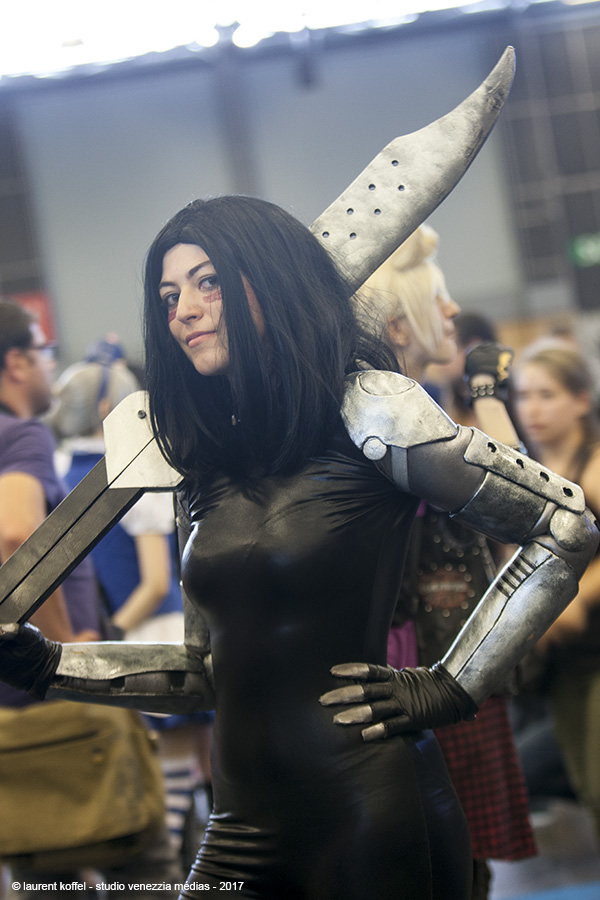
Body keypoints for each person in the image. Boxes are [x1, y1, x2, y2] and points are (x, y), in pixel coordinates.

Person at [0, 196, 596, 900]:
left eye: (208, 281)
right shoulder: (201, 457)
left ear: (272, 281)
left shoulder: (373, 410)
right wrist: (50, 664)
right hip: (240, 823)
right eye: (169, 294)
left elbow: (566, 525)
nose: (183, 309)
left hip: (368, 807)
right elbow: (204, 671)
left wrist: (452, 684)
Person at [360, 227, 536, 900]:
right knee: (448, 870)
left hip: (428, 658)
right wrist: (487, 393)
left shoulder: (399, 405)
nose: (454, 309)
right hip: (422, 668)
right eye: (439, 299)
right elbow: (523, 499)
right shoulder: (401, 413)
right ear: (400, 326)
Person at [0, 300, 183, 900]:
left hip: (11, 712)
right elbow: (15, 533)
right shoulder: (20, 435)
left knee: (43, 876)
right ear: (16, 362)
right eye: (44, 352)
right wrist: (56, 646)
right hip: (58, 697)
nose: (50, 367)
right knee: (143, 870)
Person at [50, 348, 214, 858]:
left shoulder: (59, 470)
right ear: (109, 408)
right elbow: (156, 581)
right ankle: (169, 868)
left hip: (104, 635)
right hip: (155, 632)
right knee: (180, 772)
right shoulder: (131, 474)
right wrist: (117, 631)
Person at [512, 340, 600, 847]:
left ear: (581, 400)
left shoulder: (594, 463)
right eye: (524, 395)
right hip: (563, 661)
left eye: (547, 395)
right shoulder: (533, 469)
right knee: (587, 787)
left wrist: (579, 596)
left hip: (595, 646)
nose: (533, 409)